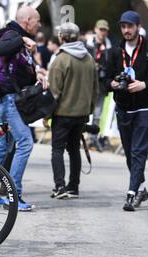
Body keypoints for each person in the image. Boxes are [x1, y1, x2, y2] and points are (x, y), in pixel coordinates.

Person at [106, 11, 148, 211]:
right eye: (123, 27)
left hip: (145, 106)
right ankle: (141, 188)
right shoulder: (115, 51)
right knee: (129, 153)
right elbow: (105, 80)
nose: (126, 30)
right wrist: (113, 84)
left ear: (138, 26)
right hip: (124, 106)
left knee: (138, 150)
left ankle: (131, 194)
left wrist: (144, 85)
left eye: (129, 26)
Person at [0, 6, 47, 211]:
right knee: (25, 142)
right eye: (37, 20)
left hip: (6, 99)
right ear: (27, 21)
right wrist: (22, 40)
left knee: (3, 145)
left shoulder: (17, 36)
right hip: (6, 100)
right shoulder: (11, 34)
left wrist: (37, 75)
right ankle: (14, 195)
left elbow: (18, 69)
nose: (40, 24)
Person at [48, 22, 98, 199]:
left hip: (62, 113)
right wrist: (89, 110)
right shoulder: (89, 58)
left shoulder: (60, 59)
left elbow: (54, 92)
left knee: (57, 150)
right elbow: (95, 88)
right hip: (81, 114)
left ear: (62, 37)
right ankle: (73, 187)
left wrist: (47, 115)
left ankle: (59, 187)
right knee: (74, 150)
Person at [85, 19, 113, 152]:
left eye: (105, 30)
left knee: (97, 114)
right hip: (86, 83)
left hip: (101, 84)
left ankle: (93, 139)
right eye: (100, 29)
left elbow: (111, 65)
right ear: (95, 29)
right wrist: (91, 65)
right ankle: (78, 137)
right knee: (82, 111)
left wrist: (102, 67)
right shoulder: (88, 45)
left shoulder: (109, 47)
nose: (102, 32)